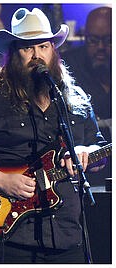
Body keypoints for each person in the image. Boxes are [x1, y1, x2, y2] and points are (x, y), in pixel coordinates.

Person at [0, 7, 108, 263]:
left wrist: (84, 152)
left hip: (67, 236)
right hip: (9, 239)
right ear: (12, 53)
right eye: (27, 48)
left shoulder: (75, 99)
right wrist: (2, 181)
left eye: (43, 46)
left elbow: (99, 152)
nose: (36, 56)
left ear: (53, 50)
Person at [61, 6, 112, 185]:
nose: (100, 48)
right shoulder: (66, 67)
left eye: (108, 41)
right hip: (83, 174)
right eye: (93, 40)